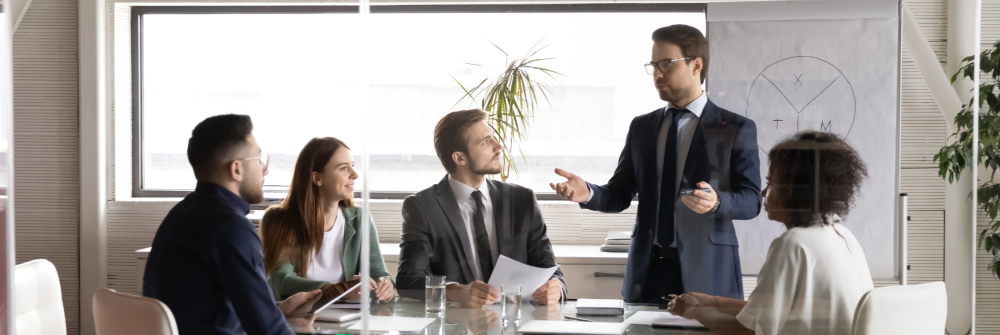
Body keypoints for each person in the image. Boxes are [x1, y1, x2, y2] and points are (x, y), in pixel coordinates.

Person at [550, 24, 762, 303]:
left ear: (696, 65)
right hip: (648, 273)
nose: (658, 74)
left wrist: (718, 202)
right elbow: (619, 195)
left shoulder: (734, 127)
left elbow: (752, 201)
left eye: (666, 64)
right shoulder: (642, 127)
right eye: (654, 66)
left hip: (709, 273)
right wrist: (587, 192)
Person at [667, 131, 874, 335]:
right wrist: (709, 302)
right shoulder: (843, 235)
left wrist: (694, 311)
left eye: (771, 183)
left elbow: (747, 330)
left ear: (795, 189)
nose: (764, 193)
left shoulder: (793, 243)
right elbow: (765, 312)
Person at [143, 114, 321, 335]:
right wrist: (272, 319)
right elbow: (268, 331)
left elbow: (207, 305)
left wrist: (279, 310)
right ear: (236, 169)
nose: (265, 170)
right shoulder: (228, 228)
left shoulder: (183, 213)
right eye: (259, 160)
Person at [396, 109, 566, 307]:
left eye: (493, 138)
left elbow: (549, 269)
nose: (498, 146)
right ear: (460, 158)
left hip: (514, 323)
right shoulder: (423, 206)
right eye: (485, 142)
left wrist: (557, 288)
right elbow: (408, 280)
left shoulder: (522, 200)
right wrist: (455, 292)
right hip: (459, 326)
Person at [260, 137, 395, 302]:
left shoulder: (359, 218)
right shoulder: (277, 219)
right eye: (343, 168)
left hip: (345, 317)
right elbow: (280, 280)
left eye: (352, 166)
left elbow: (379, 273)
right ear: (317, 178)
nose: (355, 174)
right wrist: (332, 290)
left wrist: (386, 285)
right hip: (295, 317)